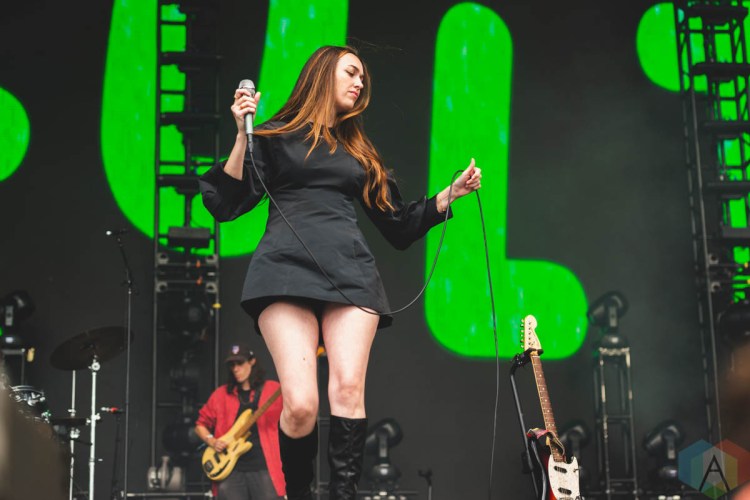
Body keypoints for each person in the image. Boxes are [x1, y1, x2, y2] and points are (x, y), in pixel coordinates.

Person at [199, 45, 482, 500]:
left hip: (350, 275)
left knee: (348, 390)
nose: (359, 82)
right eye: (351, 72)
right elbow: (226, 203)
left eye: (363, 78)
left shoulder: (357, 150)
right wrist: (240, 135)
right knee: (300, 405)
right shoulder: (272, 136)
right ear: (322, 73)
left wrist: (447, 196)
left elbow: (398, 224)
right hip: (284, 273)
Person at [195, 344, 284, 499]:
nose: (236, 369)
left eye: (240, 363)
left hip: (264, 467)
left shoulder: (272, 389)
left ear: (252, 361)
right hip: (230, 470)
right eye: (232, 365)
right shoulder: (221, 394)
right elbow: (200, 425)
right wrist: (212, 441)